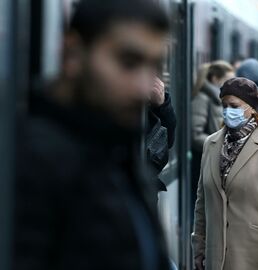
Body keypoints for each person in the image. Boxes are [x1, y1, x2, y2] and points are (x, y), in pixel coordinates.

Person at [13, 0, 172, 269]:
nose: (142, 86)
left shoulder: (118, 153)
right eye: (128, 63)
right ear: (73, 53)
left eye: (153, 66)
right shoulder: (31, 163)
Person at [192, 77, 258, 270]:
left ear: (251, 109)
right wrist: (199, 248)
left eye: (234, 105)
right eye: (224, 105)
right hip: (215, 259)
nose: (227, 111)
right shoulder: (211, 144)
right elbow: (202, 202)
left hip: (255, 258)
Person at [191, 60, 235, 215]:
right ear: (216, 79)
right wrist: (220, 145)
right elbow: (195, 134)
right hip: (202, 160)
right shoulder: (203, 98)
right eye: (228, 79)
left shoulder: (217, 98)